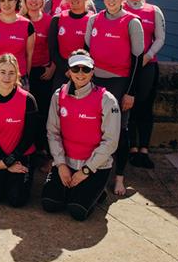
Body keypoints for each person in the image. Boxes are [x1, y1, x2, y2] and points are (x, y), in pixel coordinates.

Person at [42, 50, 120, 221]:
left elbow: (111, 141)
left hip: (94, 167)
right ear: (68, 71)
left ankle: (98, 190)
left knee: (77, 210)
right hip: (66, 163)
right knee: (50, 204)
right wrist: (61, 164)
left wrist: (86, 170)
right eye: (75, 69)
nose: (80, 73)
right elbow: (52, 132)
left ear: (93, 71)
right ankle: (85, 190)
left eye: (85, 69)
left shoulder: (107, 100)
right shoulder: (58, 96)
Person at [86, 0, 144, 196]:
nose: (111, 0)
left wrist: (130, 92)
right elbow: (87, 52)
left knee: (119, 130)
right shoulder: (95, 19)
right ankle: (94, 169)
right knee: (94, 127)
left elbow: (137, 61)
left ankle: (119, 177)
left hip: (119, 81)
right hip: (95, 81)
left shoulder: (131, 22)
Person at [0, 54, 38, 207]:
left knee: (16, 200)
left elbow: (30, 136)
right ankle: (5, 176)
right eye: (3, 72)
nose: (6, 76)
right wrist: (5, 161)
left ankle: (9, 178)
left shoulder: (28, 100)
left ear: (17, 74)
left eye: (11, 72)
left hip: (22, 154)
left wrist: (8, 161)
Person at [123, 0, 165, 170]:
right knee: (127, 106)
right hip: (126, 65)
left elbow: (160, 37)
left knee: (145, 107)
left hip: (148, 65)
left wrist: (147, 56)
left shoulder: (153, 10)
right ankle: (131, 149)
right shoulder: (119, 7)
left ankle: (144, 149)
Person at [20, 0, 56, 157]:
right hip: (22, 74)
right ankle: (24, 146)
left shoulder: (50, 21)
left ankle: (41, 148)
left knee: (42, 112)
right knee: (24, 112)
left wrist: (52, 68)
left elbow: (57, 47)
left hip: (42, 72)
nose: (33, 1)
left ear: (43, 0)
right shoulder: (19, 20)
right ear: (24, 0)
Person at [48, 0, 94, 90]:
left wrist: (79, 70)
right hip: (63, 71)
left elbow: (92, 49)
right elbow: (52, 49)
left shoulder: (93, 20)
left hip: (84, 72)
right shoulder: (57, 19)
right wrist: (67, 69)